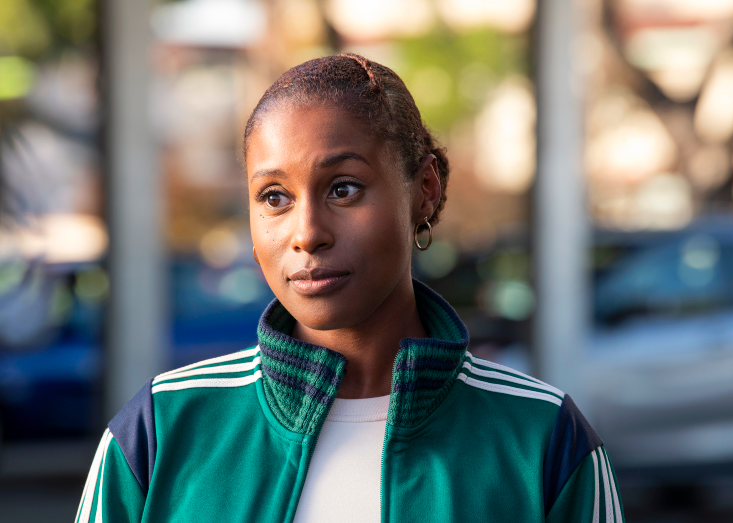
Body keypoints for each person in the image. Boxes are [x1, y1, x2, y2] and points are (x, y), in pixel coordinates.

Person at [75, 53, 624, 523]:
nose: (307, 233)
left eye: (343, 188)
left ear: (424, 190)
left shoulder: (544, 439)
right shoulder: (159, 431)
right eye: (274, 197)